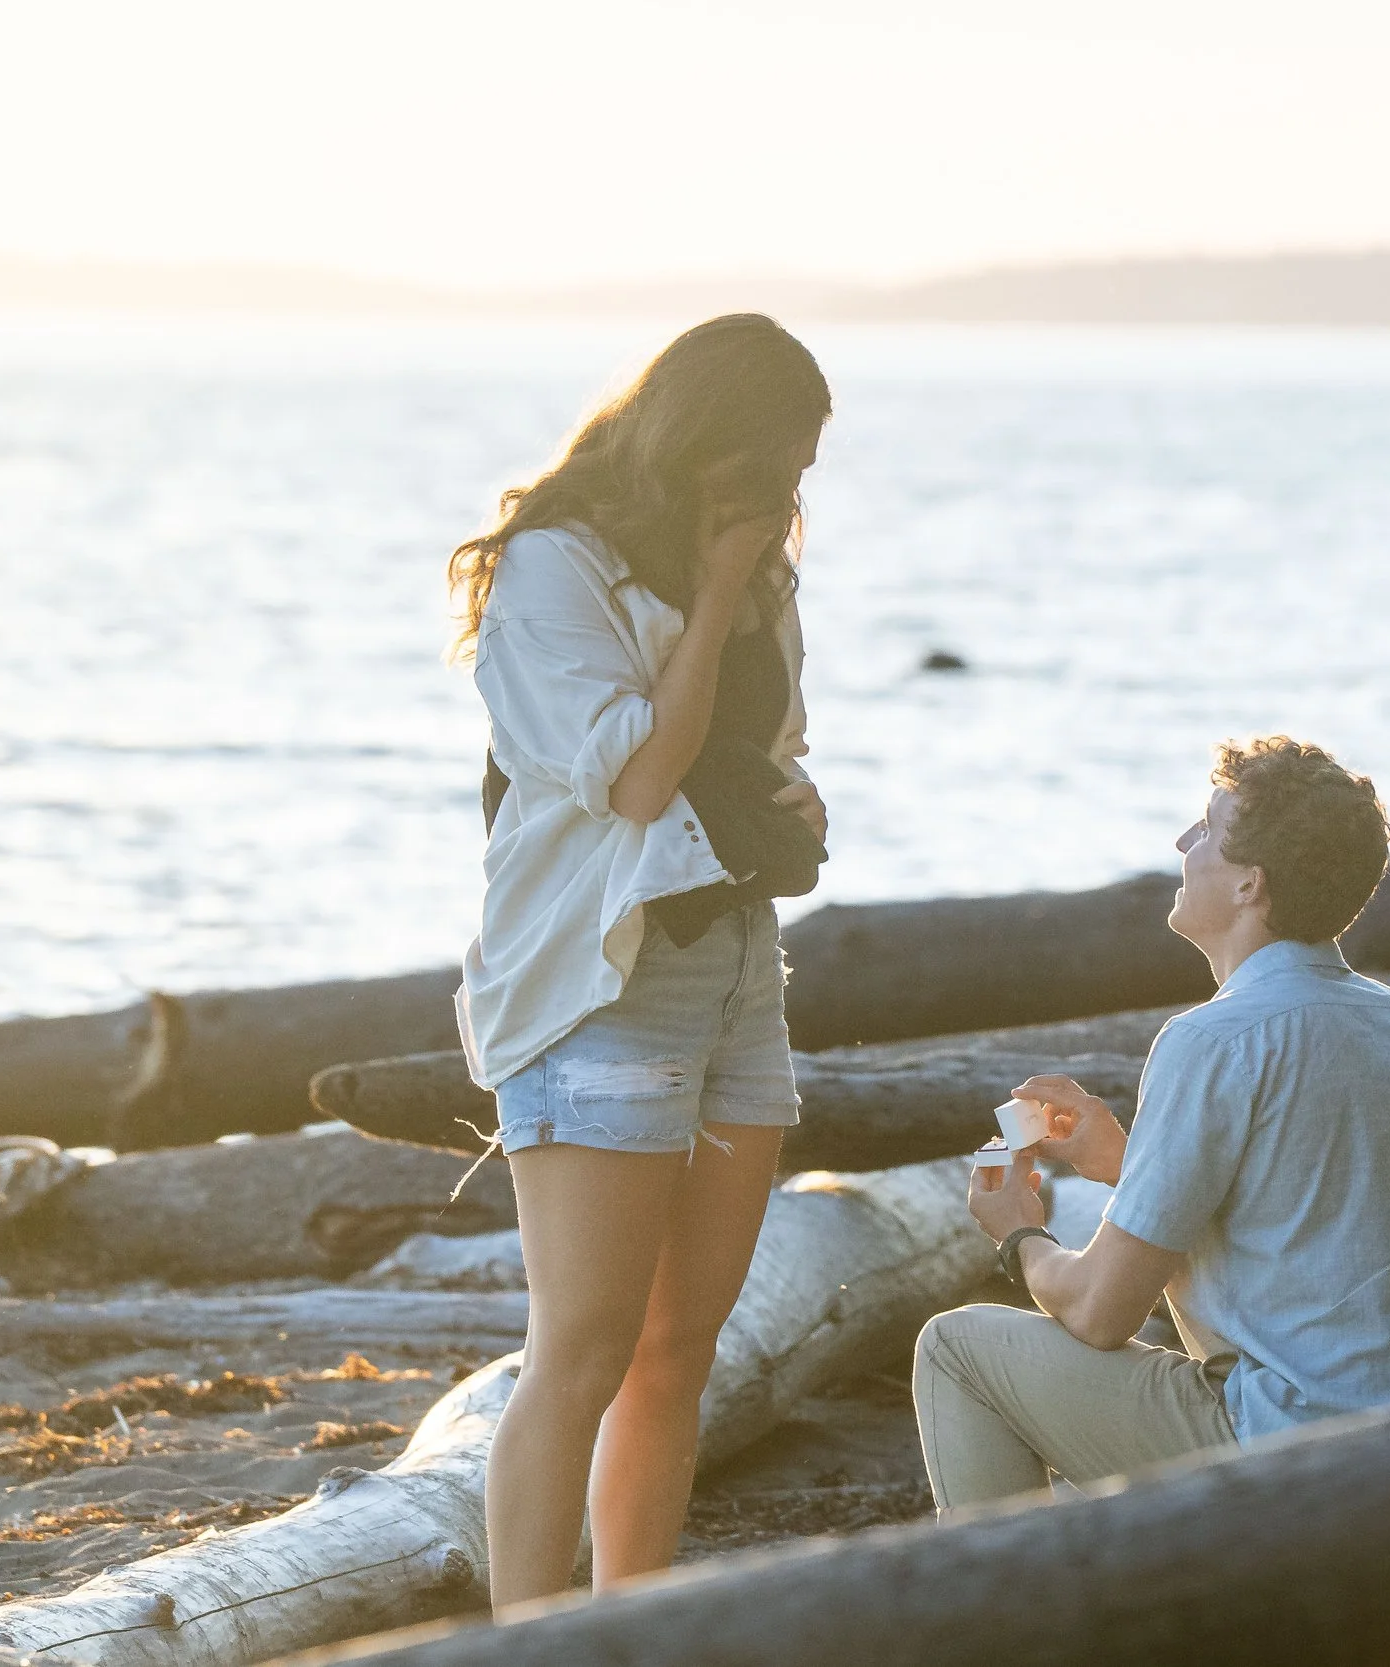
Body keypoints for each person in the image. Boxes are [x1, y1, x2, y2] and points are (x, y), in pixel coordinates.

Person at [448, 315, 832, 1605]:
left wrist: (794, 808)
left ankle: (636, 1629)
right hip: (602, 985)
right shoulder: (554, 567)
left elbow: (748, 755)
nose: (788, 497)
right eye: (773, 463)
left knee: (679, 1351)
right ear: (700, 441)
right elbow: (639, 772)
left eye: (801, 472)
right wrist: (722, 590)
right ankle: (529, 1635)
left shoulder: (756, 567)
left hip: (732, 969)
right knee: (583, 1350)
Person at [916, 736, 1390, 1511]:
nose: (1183, 844)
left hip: (1296, 1463)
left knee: (954, 1348)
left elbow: (1098, 1311)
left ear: (1250, 884)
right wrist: (1133, 1165)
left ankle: (1016, 1630)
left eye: (1205, 830)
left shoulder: (1213, 1039)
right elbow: (1310, 1242)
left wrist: (1020, 1234)